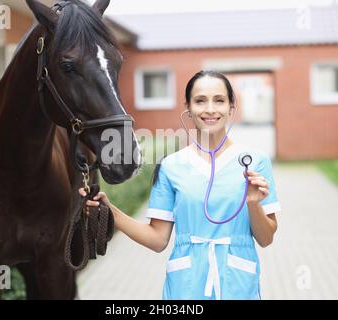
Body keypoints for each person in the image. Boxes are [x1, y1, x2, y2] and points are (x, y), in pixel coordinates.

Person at [79, 70, 281, 300]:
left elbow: (266, 239)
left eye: (219, 100)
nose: (210, 109)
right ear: (188, 108)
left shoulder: (256, 162)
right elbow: (157, 239)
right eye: (200, 101)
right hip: (186, 288)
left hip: (238, 284)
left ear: (231, 107)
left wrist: (253, 203)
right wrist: (110, 210)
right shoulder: (171, 166)